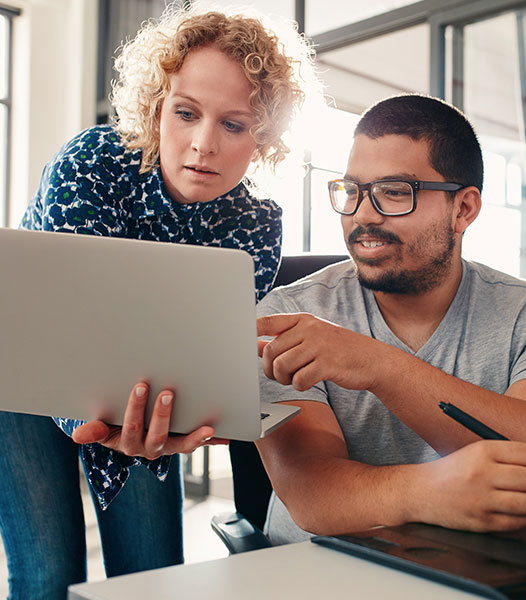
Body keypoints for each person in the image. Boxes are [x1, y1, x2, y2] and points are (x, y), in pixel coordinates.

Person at [0, 4, 316, 598]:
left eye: (234, 124)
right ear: (155, 107)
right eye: (186, 112)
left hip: (145, 403)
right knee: (45, 574)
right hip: (23, 373)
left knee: (153, 575)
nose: (203, 145)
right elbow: (68, 326)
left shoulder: (257, 224)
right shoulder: (89, 164)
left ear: (265, 137)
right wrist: (100, 425)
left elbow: (203, 355)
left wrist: (194, 417)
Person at [254, 94, 526, 544]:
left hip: (480, 568)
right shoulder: (286, 315)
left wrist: (380, 366)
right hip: (318, 571)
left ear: (464, 209)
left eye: (395, 192)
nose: (363, 215)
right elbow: (311, 494)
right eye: (352, 191)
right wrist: (432, 491)